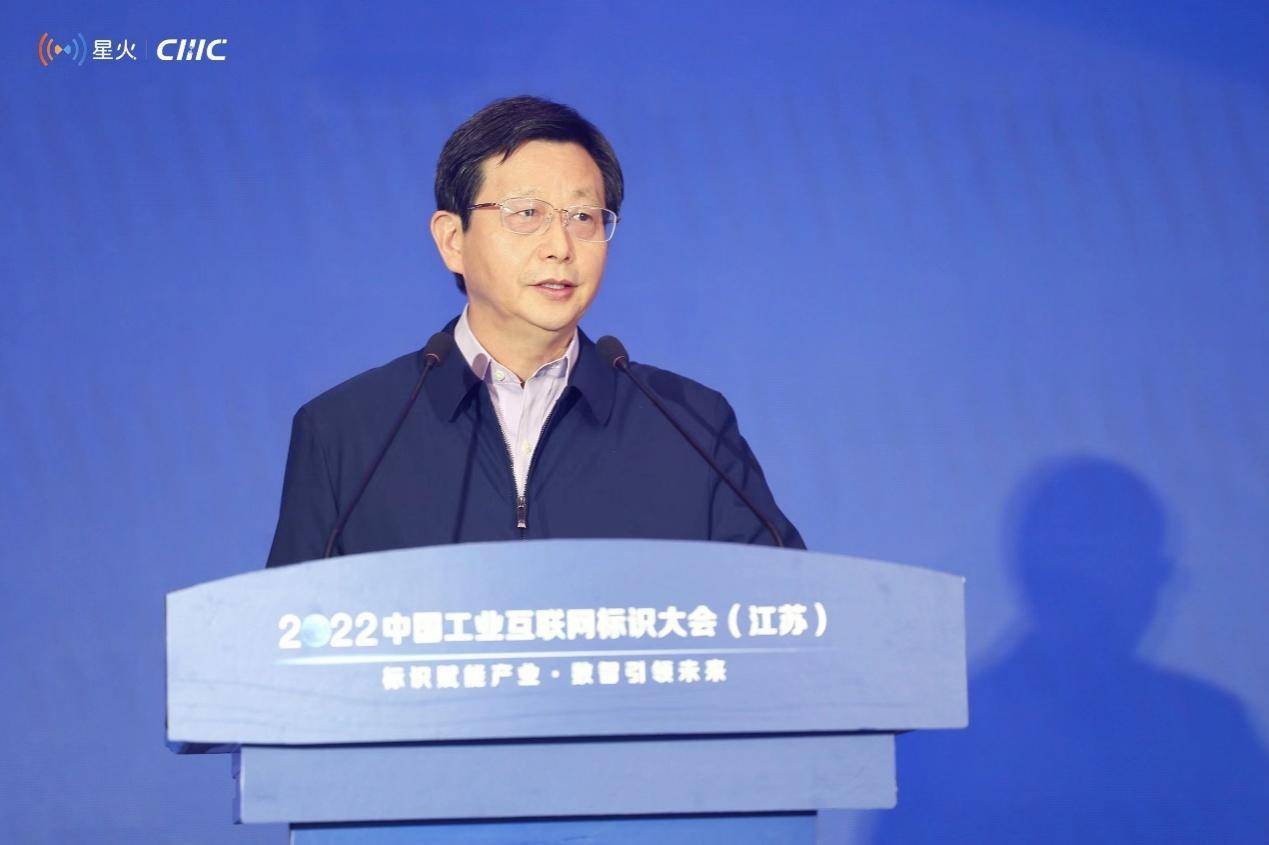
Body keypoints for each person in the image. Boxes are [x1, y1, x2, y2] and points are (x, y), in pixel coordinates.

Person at [266, 95, 804, 567]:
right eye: (526, 213)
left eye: (584, 217)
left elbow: (790, 613)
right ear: (452, 239)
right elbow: (287, 632)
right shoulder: (347, 433)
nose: (560, 247)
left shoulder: (691, 425)